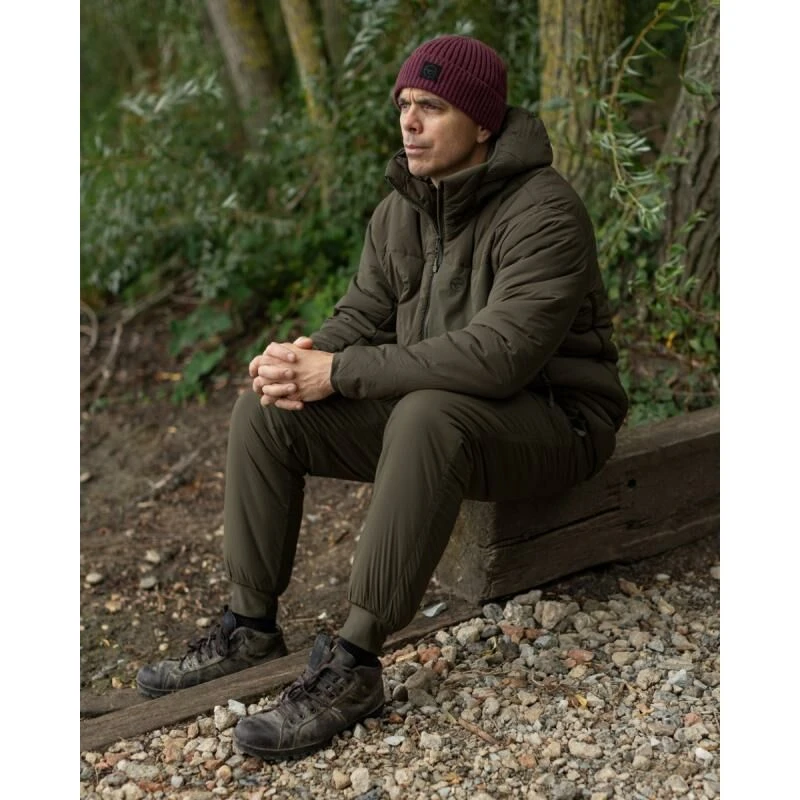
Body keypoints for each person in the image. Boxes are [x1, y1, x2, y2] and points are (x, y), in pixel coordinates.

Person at [136, 34, 628, 761]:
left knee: (428, 414)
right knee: (267, 413)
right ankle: (249, 625)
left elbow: (500, 357)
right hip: (443, 414)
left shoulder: (544, 211)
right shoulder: (402, 210)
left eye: (432, 106)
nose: (410, 122)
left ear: (483, 123)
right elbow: (359, 319)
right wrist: (298, 360)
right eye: (404, 105)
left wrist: (339, 372)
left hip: (554, 421)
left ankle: (354, 664)